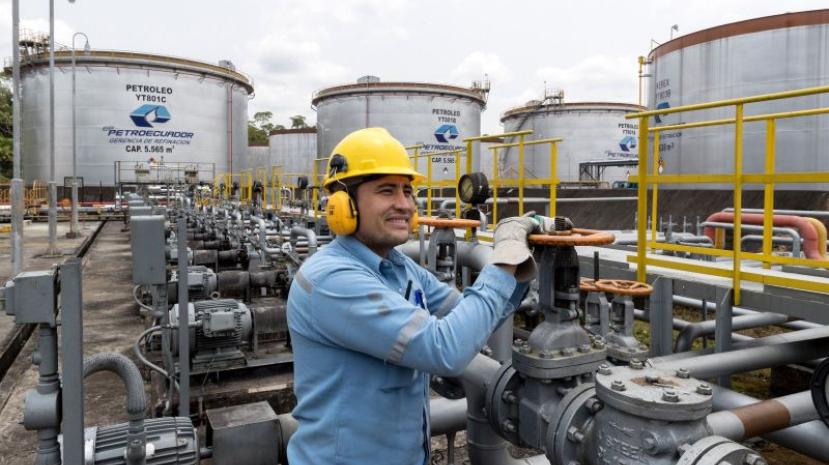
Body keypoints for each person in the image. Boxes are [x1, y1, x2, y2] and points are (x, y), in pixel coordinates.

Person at [287, 127, 538, 465]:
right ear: (343, 204)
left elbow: (467, 314)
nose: (404, 204)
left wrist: (521, 261)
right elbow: (444, 349)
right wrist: (503, 259)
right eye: (387, 191)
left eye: (407, 191)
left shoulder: (399, 265)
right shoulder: (332, 279)